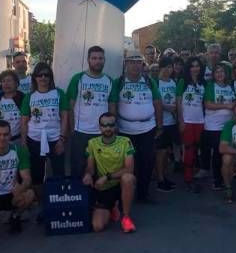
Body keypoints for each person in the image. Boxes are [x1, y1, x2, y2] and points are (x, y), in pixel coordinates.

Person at [109, 51, 163, 203]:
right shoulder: (118, 82)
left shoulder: (148, 81)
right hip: (125, 129)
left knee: (147, 161)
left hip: (148, 128)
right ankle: (127, 191)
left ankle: (143, 193)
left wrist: (160, 125)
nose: (134, 65)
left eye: (138, 62)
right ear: (126, 64)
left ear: (142, 64)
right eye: (131, 62)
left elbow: (157, 103)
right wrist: (114, 125)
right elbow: (112, 104)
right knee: (129, 162)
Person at [20, 62, 69, 211]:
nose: (43, 78)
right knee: (37, 175)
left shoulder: (59, 93)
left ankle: (59, 202)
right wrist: (24, 143)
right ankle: (43, 205)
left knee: (58, 172)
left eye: (46, 75)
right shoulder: (29, 96)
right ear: (34, 78)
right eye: (39, 75)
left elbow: (65, 117)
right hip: (34, 139)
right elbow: (24, 121)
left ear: (51, 77)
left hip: (55, 138)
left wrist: (62, 139)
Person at [83, 113, 137, 233]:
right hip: (105, 188)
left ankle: (126, 218)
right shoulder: (92, 143)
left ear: (115, 126)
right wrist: (88, 174)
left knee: (128, 178)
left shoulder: (125, 141)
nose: (108, 128)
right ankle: (113, 207)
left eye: (111, 125)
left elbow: (129, 169)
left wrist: (107, 177)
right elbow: (90, 167)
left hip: (121, 184)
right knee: (97, 226)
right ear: (100, 127)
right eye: (104, 125)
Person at [66, 46, 112, 179]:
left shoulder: (109, 80)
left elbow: (112, 106)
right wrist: (72, 129)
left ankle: (97, 198)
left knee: (100, 168)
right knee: (78, 167)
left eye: (100, 58)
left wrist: (112, 128)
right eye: (94, 58)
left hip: (102, 132)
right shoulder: (78, 78)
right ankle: (79, 197)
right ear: (88, 60)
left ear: (104, 60)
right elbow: (70, 106)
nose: (97, 61)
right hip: (80, 132)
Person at [203, 64, 236, 190]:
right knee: (217, 153)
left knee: (226, 153)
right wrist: (226, 106)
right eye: (217, 72)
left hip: (228, 126)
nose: (219, 74)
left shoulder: (230, 86)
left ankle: (226, 177)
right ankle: (217, 180)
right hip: (214, 126)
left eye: (222, 71)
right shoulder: (211, 86)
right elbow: (208, 104)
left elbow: (234, 102)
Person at [176, 56, 206, 192]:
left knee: (196, 149)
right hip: (187, 121)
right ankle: (188, 178)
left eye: (197, 66)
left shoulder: (203, 83)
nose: (195, 69)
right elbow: (178, 102)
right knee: (188, 149)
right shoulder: (183, 81)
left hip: (200, 121)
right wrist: (181, 121)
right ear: (188, 68)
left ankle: (193, 175)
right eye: (192, 66)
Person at [153, 56, 178, 192]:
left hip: (172, 122)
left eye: (170, 67)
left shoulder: (173, 82)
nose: (168, 70)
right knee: (160, 152)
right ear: (160, 68)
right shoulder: (155, 83)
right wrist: (167, 108)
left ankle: (164, 176)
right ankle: (160, 179)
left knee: (167, 152)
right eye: (166, 67)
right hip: (161, 122)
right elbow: (153, 101)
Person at [0, 70, 25, 145]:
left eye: (9, 81)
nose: (6, 84)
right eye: (3, 81)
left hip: (18, 140)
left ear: (16, 83)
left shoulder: (23, 98)